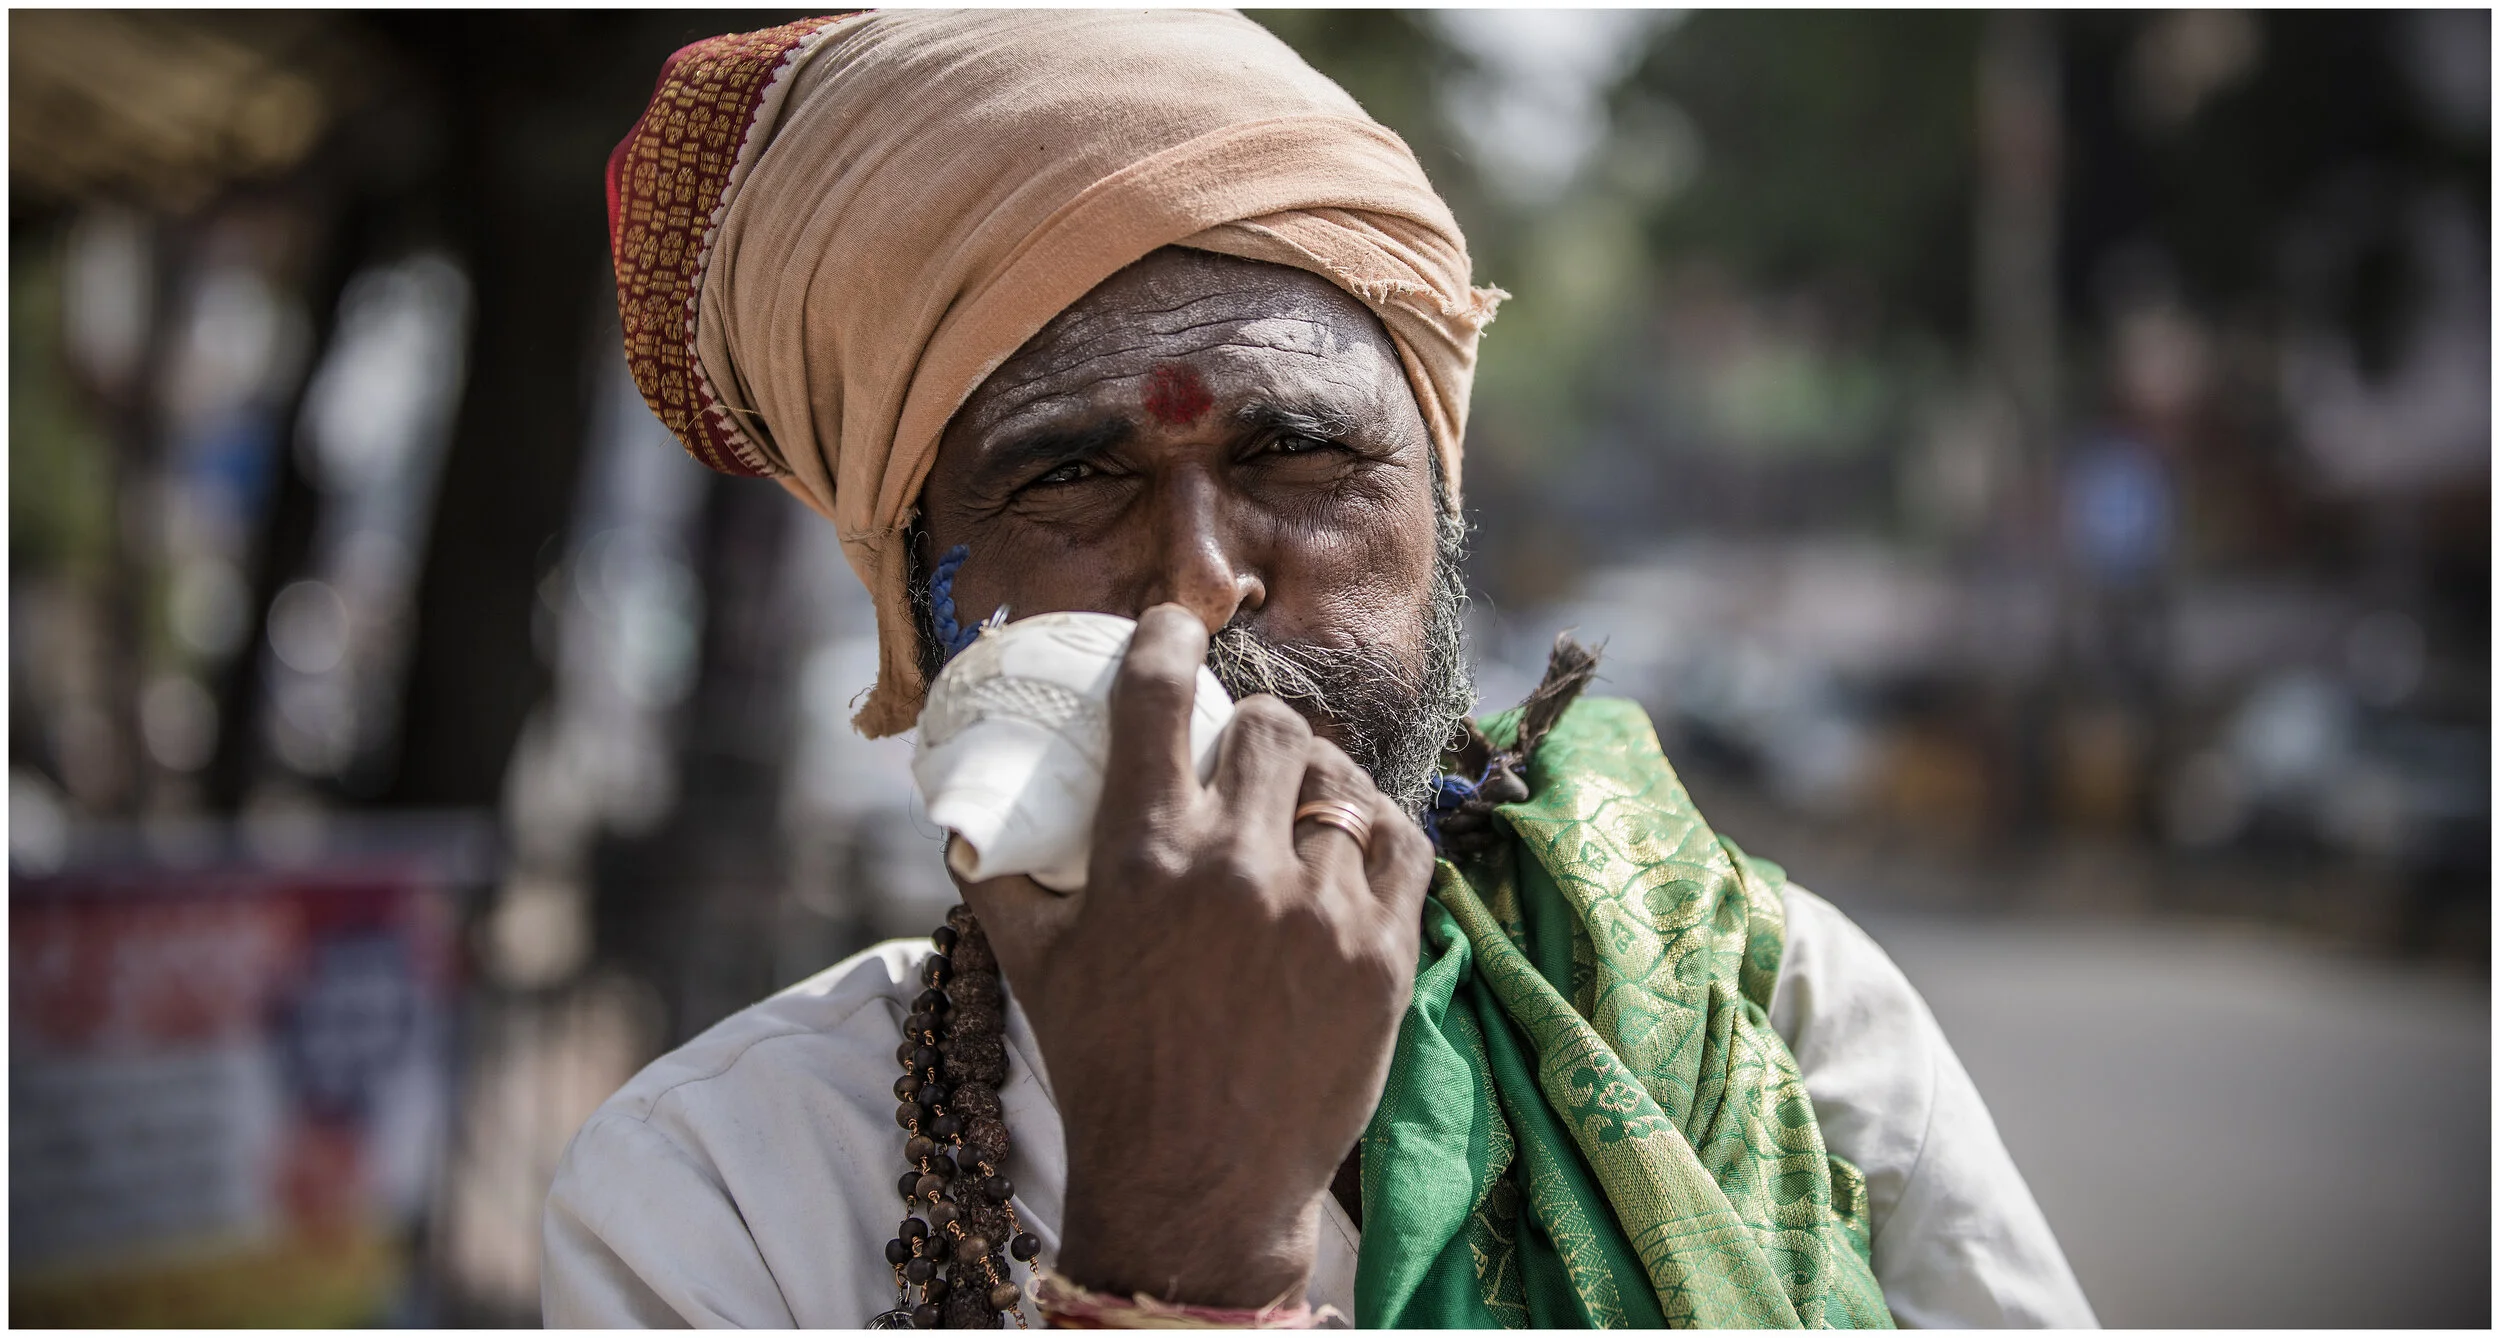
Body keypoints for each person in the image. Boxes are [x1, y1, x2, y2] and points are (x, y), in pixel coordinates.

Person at [548, 11, 2096, 1330]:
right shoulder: (716, 1189)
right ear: (917, 602)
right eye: (1070, 479)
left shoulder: (1774, 1008)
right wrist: (1178, 1253)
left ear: (1444, 532)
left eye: (1298, 453)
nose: (1200, 575)